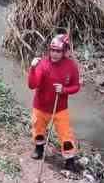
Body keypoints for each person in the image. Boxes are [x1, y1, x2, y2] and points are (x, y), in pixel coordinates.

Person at [28, 34, 81, 173]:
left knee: (66, 136)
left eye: (58, 51)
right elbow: (32, 85)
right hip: (40, 106)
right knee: (38, 131)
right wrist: (32, 69)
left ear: (64, 51)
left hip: (60, 108)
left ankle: (69, 161)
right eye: (52, 50)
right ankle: (39, 149)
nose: (55, 54)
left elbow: (76, 87)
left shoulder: (71, 66)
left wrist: (64, 90)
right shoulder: (43, 64)